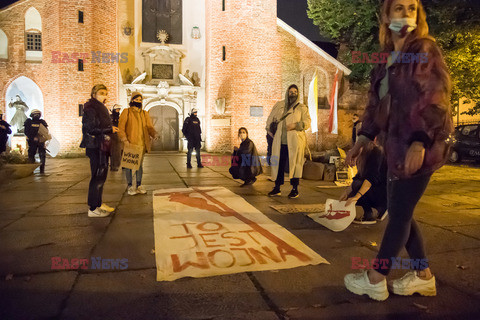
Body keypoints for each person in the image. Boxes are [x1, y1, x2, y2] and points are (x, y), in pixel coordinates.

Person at [343, 0, 453, 301]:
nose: (405, 15)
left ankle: (376, 278)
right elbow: (376, 106)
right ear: (386, 15)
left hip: (420, 149)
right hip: (395, 150)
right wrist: (363, 138)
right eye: (399, 8)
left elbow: (436, 96)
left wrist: (420, 139)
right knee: (402, 213)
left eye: (412, 9)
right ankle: (423, 276)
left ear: (418, 17)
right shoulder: (385, 60)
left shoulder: (424, 50)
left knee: (399, 215)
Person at [266, 84, 311, 198]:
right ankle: (277, 188)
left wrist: (296, 125)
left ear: (298, 93)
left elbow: (307, 122)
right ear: (287, 92)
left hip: (295, 142)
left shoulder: (302, 108)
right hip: (280, 142)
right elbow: (270, 120)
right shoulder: (279, 105)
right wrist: (271, 132)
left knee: (295, 165)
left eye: (295, 91)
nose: (293, 93)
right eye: (291, 91)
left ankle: (295, 189)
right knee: (278, 166)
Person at [80, 84, 118, 218]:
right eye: (101, 93)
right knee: (96, 176)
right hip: (95, 146)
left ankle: (99, 203)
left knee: (101, 175)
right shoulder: (91, 108)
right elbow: (90, 129)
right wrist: (109, 129)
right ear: (94, 94)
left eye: (106, 93)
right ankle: (93, 207)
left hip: (103, 145)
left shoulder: (101, 107)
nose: (104, 95)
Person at [118, 92, 157, 195]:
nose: (138, 101)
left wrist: (154, 134)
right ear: (132, 100)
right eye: (136, 99)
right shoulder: (126, 112)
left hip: (142, 144)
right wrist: (125, 140)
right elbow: (121, 128)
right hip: (130, 143)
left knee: (139, 166)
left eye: (140, 100)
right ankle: (130, 186)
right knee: (129, 166)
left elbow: (149, 127)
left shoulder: (144, 113)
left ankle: (139, 185)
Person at [340, 141, 387, 224]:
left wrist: (356, 197)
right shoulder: (364, 155)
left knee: (357, 188)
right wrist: (346, 193)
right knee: (351, 194)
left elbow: (370, 179)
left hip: (383, 190)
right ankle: (375, 209)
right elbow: (359, 176)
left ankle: (374, 212)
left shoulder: (376, 152)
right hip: (374, 187)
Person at [24, 109, 48, 174]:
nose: (36, 116)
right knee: (31, 155)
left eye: (38, 114)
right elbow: (26, 132)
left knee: (42, 155)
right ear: (32, 115)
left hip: (40, 141)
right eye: (35, 114)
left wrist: (42, 138)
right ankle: (31, 170)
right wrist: (32, 137)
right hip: (32, 142)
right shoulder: (28, 122)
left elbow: (45, 131)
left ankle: (42, 170)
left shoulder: (42, 122)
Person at [109, 104, 122, 171]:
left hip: (119, 135)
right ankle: (113, 165)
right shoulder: (111, 117)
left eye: (119, 109)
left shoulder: (120, 117)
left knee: (120, 151)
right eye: (116, 109)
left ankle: (119, 165)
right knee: (113, 152)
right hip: (112, 136)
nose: (117, 110)